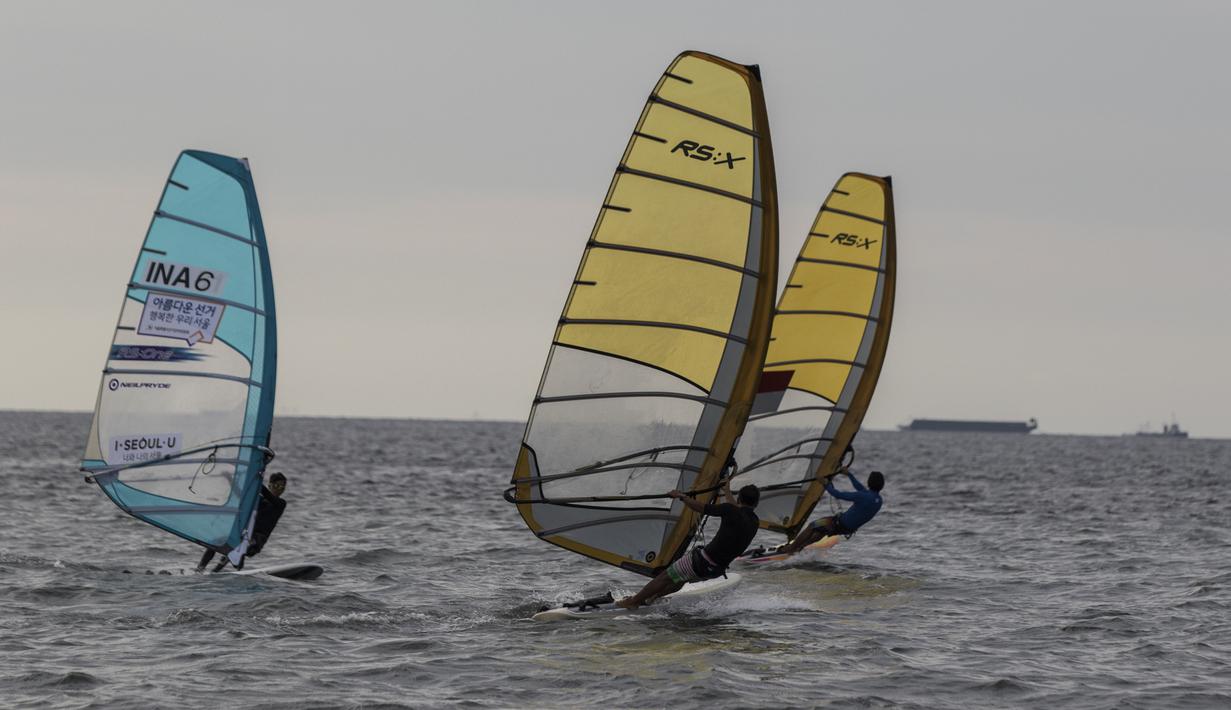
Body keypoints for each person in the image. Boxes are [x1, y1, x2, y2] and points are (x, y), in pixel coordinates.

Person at [616, 481, 760, 609]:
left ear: (739, 498)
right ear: (756, 503)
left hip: (701, 562)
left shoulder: (730, 510)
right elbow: (738, 509)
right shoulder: (754, 522)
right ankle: (651, 598)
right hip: (715, 570)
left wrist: (682, 496)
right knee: (681, 579)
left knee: (665, 576)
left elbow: (702, 508)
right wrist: (726, 491)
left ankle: (633, 601)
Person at [197, 472, 288, 572]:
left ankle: (215, 571)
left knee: (239, 546)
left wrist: (256, 479)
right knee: (216, 542)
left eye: (282, 487)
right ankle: (200, 568)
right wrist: (230, 479)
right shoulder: (259, 501)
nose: (280, 489)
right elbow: (241, 495)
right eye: (277, 486)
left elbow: (267, 494)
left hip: (256, 541)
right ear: (270, 485)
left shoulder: (281, 504)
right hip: (244, 535)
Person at [780, 469, 883, 555]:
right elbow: (860, 488)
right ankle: (799, 548)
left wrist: (825, 484)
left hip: (837, 523)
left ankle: (790, 549)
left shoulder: (862, 496)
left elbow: (837, 494)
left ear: (869, 482)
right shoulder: (878, 500)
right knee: (820, 531)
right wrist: (849, 475)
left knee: (813, 525)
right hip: (847, 529)